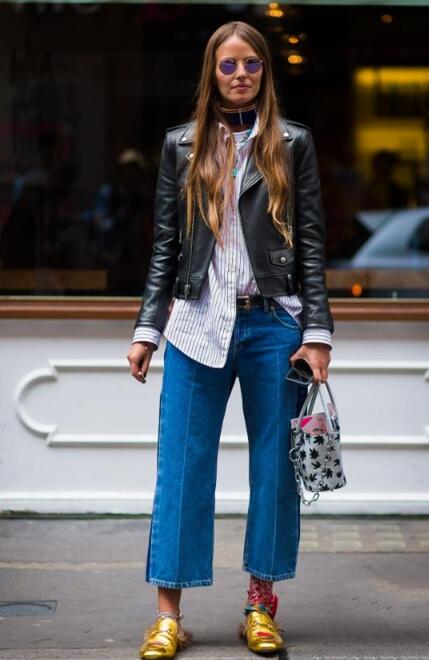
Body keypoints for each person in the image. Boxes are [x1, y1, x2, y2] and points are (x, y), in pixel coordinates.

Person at [127, 20, 334, 659]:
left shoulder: (292, 143)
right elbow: (165, 246)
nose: (240, 74)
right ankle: (168, 616)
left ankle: (260, 607)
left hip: (275, 325)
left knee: (274, 469)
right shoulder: (181, 146)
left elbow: (312, 245)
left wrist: (318, 332)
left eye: (251, 64)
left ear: (264, 71)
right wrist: (147, 329)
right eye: (228, 65)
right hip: (195, 325)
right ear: (211, 73)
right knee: (181, 470)